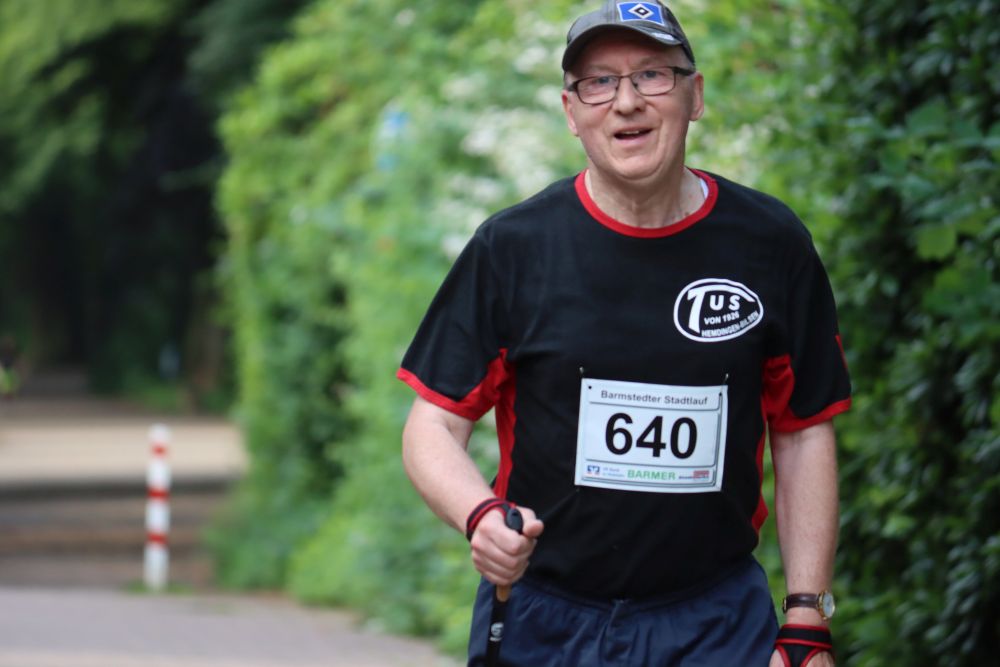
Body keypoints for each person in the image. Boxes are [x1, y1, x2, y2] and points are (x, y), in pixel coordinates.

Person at [398, 2, 850, 665]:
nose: (627, 101)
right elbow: (431, 425)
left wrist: (807, 617)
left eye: (652, 75)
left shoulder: (770, 243)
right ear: (570, 111)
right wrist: (480, 514)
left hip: (715, 621)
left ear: (695, 96)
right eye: (599, 82)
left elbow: (804, 428)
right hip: (545, 619)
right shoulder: (514, 248)